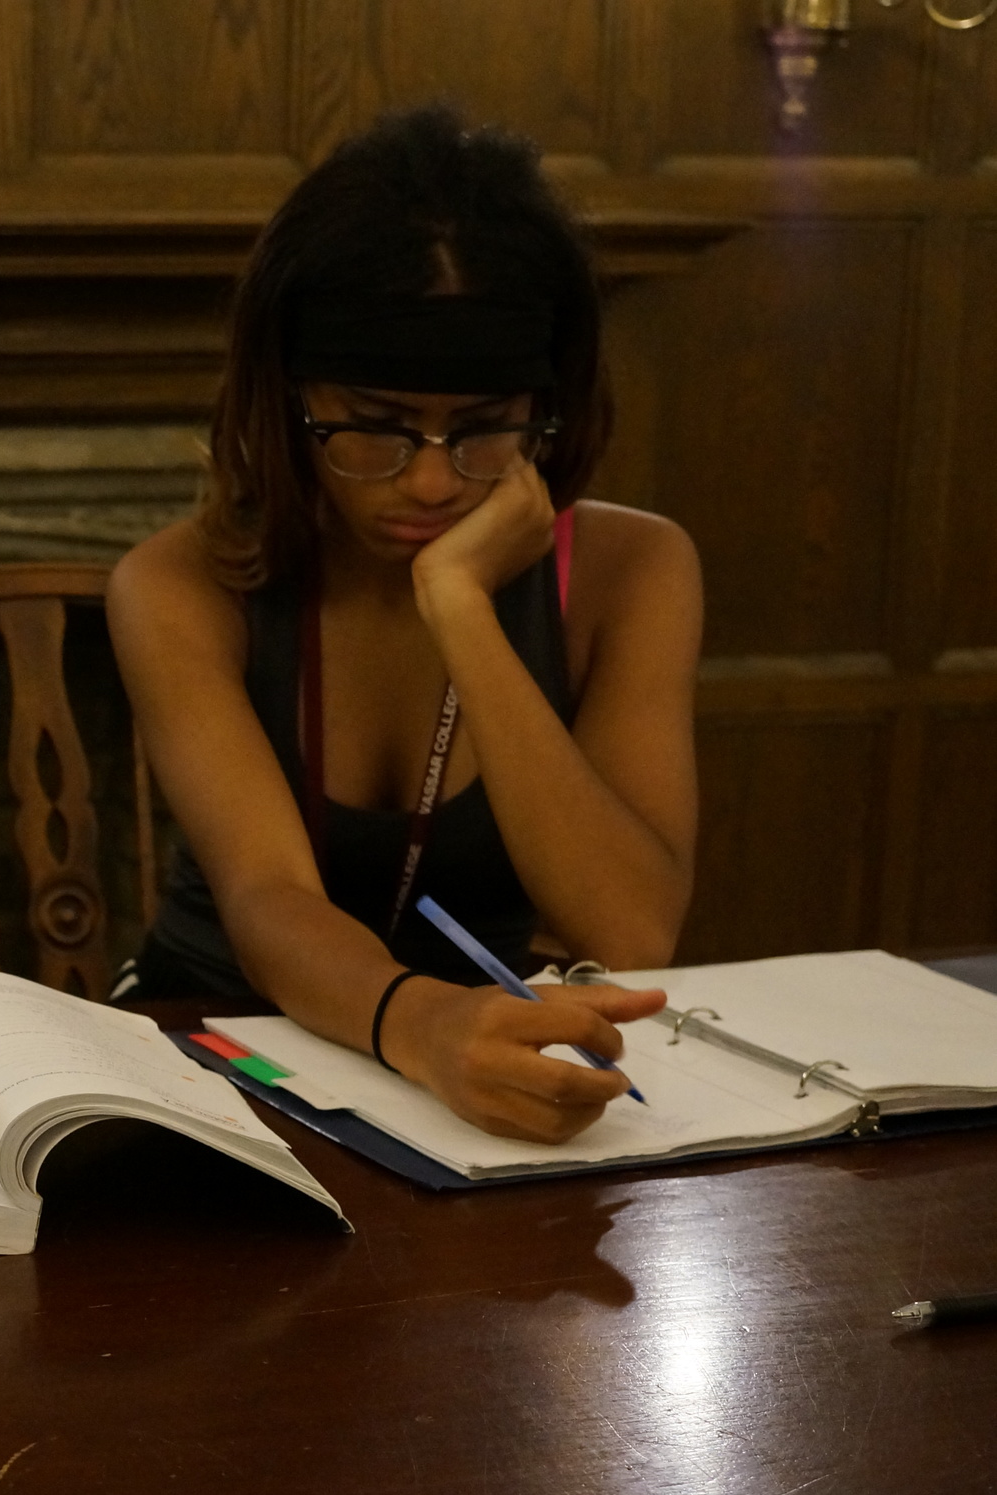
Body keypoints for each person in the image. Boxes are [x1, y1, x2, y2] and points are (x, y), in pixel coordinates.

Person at [106, 107, 700, 1145]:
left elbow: (630, 926)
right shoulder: (175, 586)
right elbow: (265, 896)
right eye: (374, 427)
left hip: (492, 1062)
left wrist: (461, 607)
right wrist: (424, 1028)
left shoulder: (634, 571)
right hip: (218, 1041)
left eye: (482, 430)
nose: (429, 481)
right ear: (289, 402)